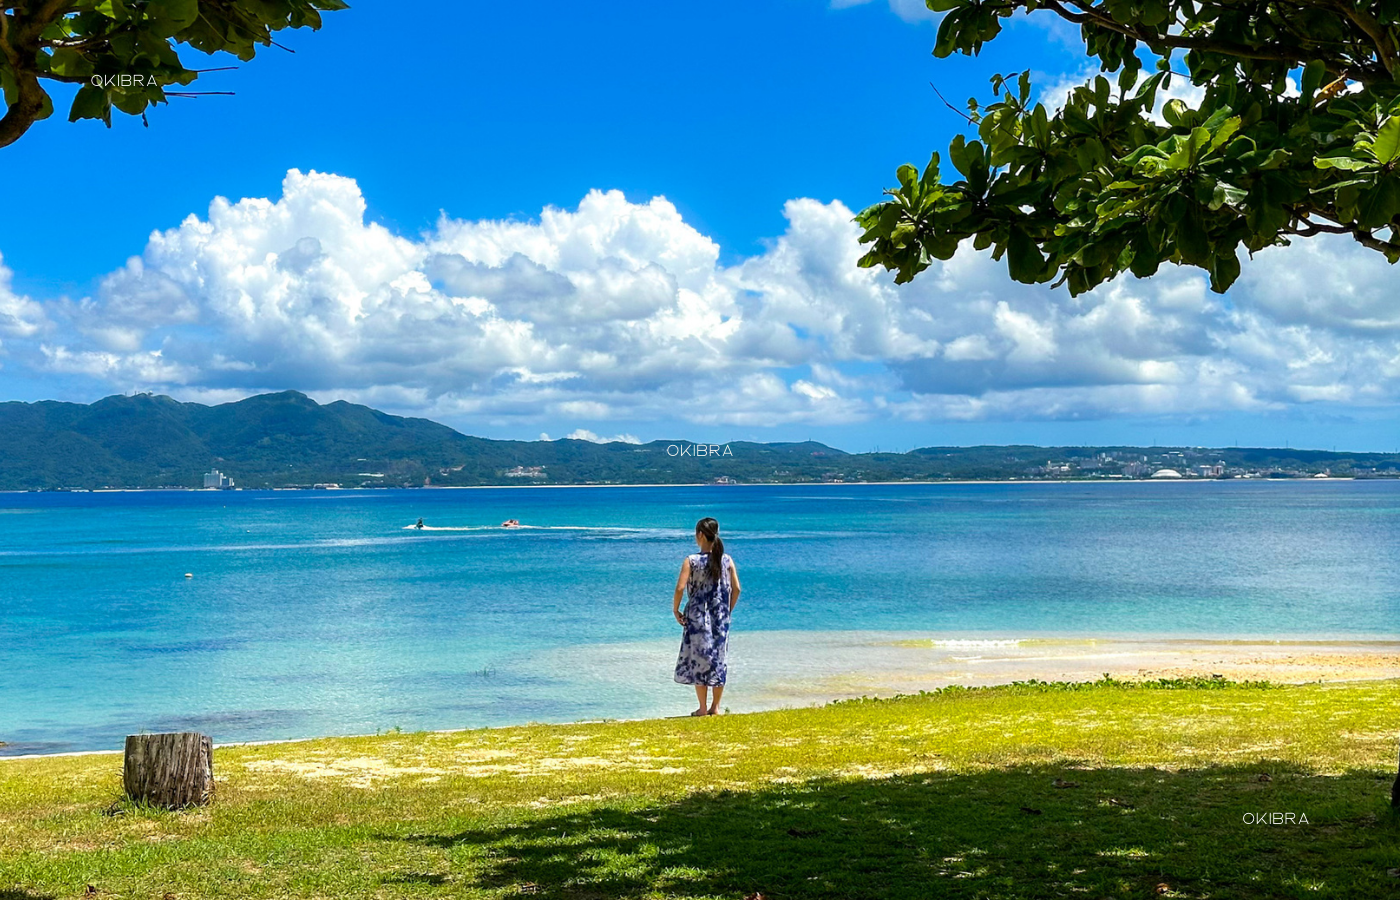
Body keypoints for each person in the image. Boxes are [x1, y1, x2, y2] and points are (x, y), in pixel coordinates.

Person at [672, 517, 741, 716]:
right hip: (720, 617)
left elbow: (680, 588)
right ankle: (715, 707)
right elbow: (736, 589)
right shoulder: (726, 560)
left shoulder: (692, 561)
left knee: (699, 659)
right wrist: (727, 611)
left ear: (700, 535)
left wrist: (675, 610)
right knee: (718, 659)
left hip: (697, 617)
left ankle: (703, 708)